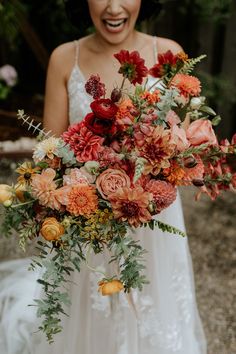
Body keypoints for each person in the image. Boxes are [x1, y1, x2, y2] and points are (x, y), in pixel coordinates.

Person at [0, 1, 207, 353]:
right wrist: (87, 192)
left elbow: (186, 148)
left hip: (154, 221)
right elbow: (51, 156)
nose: (114, 7)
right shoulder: (66, 58)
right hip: (89, 220)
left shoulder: (170, 54)